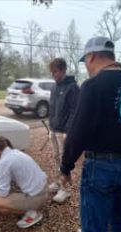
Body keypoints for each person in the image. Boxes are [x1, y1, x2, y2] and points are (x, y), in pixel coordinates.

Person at [59, 37, 121, 232]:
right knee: (119, 222)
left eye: (85, 61)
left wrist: (66, 166)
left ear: (92, 57)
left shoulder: (92, 86)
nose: (86, 67)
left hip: (100, 168)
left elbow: (78, 133)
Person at [0, 135, 48, 229]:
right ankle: (30, 207)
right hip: (44, 189)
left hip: (36, 197)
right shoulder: (16, 153)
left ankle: (32, 213)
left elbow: (3, 193)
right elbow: (5, 173)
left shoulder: (4, 162)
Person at [47, 58, 80, 204]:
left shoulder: (72, 87)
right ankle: (57, 181)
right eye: (52, 72)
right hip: (53, 129)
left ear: (63, 70)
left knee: (63, 159)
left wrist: (68, 130)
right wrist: (50, 125)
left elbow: (75, 111)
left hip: (64, 131)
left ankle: (64, 189)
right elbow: (52, 107)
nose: (53, 75)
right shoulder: (54, 87)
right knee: (55, 157)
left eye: (55, 72)